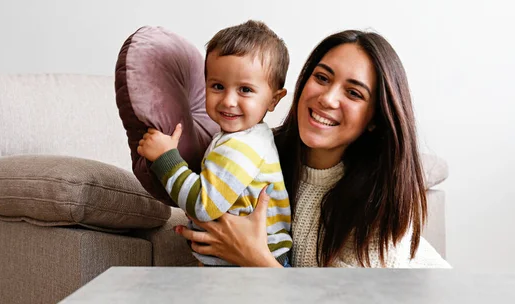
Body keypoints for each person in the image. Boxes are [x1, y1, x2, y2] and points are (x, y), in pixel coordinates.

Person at [172, 30, 451, 268]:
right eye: (322, 78)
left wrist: (255, 259)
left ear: (374, 120)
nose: (327, 99)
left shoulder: (381, 200)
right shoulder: (261, 156)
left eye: (353, 93)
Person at [137, 20, 293, 266]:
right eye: (218, 86)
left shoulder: (242, 147)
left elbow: (204, 205)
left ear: (273, 100)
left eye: (245, 90)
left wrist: (165, 158)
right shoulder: (241, 138)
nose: (229, 101)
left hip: (251, 269)